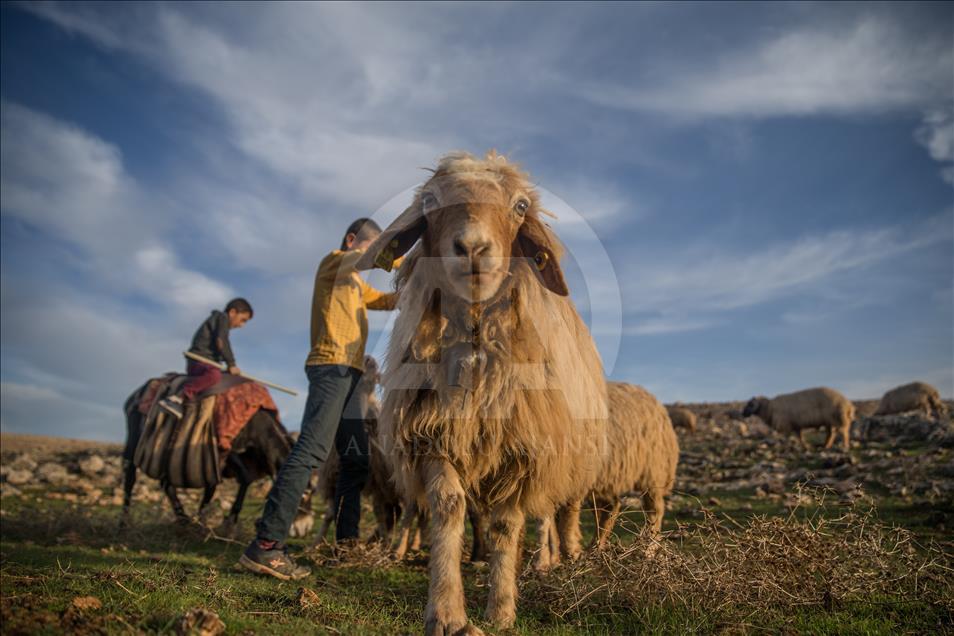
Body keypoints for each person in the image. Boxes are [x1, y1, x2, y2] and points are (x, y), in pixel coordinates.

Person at [239, 218, 398, 580]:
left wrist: (423, 283)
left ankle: (345, 546)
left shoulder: (357, 285)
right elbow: (365, 260)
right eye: (369, 245)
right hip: (331, 368)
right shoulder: (334, 263)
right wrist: (399, 253)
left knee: (356, 461)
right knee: (310, 452)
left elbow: (389, 299)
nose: (372, 253)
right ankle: (266, 546)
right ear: (352, 239)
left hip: (353, 377)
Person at [158, 298, 253, 418]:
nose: (242, 325)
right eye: (242, 320)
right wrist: (231, 363)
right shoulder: (222, 318)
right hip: (199, 361)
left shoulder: (220, 323)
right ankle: (179, 397)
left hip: (209, 362)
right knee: (214, 376)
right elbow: (221, 342)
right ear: (232, 312)